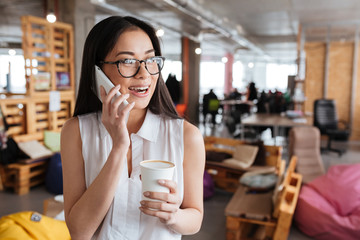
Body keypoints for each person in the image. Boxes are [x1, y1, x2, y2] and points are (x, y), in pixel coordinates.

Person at [60, 16, 205, 240]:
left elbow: (195, 219)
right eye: (127, 61)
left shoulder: (186, 136)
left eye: (150, 60)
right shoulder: (76, 131)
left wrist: (174, 215)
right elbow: (79, 232)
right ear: (98, 71)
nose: (144, 73)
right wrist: (119, 146)